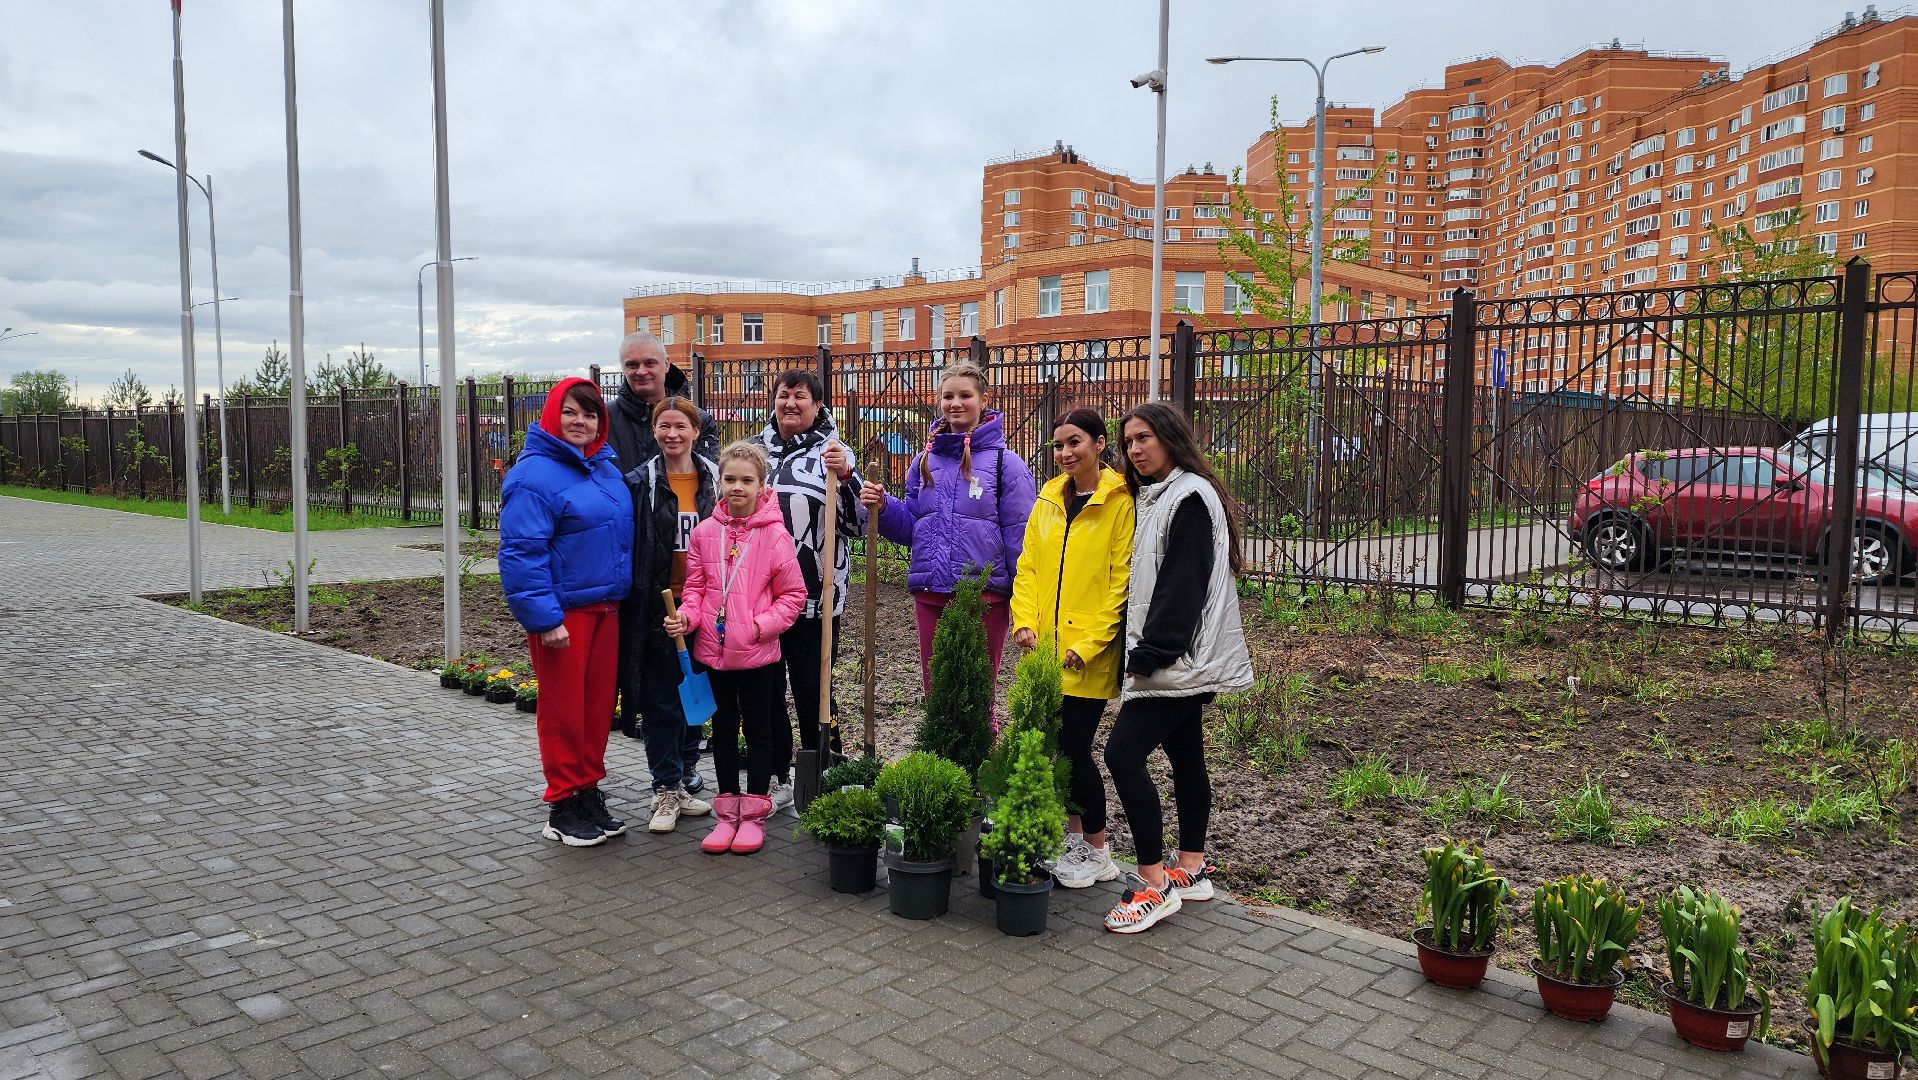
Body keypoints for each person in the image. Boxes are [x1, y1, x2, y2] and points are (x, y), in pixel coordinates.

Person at [1102, 402, 1253, 934]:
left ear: (1170, 438)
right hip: (1187, 658)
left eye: (1143, 438)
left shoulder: (1188, 497)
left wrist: (1149, 655)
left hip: (1175, 660)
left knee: (1121, 755)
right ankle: (1191, 867)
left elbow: (1182, 586)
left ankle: (1152, 884)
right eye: (1128, 443)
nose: (1135, 450)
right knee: (1187, 755)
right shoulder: (1163, 495)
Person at [499, 378, 634, 847]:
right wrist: (544, 618)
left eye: (591, 414)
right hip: (564, 616)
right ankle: (561, 804)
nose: (582, 422)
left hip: (606, 610)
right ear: (552, 414)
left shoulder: (603, 469)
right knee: (563, 712)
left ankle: (587, 791)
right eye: (572, 412)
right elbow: (521, 552)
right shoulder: (532, 476)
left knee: (596, 710)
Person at [1008, 409, 1134, 889]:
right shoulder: (1049, 499)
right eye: (1058, 445)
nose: (1065, 453)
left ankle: (1099, 850)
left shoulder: (1119, 502)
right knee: (1054, 750)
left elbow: (1117, 585)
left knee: (1076, 749)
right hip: (1042, 650)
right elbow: (1029, 568)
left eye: (1075, 442)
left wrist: (1088, 644)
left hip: (1086, 654)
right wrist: (1023, 620)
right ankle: (1072, 838)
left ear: (1100, 444)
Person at [663, 441, 807, 856]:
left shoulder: (775, 536)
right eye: (730, 479)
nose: (737, 487)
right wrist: (688, 618)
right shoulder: (706, 533)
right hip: (713, 653)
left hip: (758, 656)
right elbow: (695, 589)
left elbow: (793, 595)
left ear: (763, 486)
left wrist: (762, 626)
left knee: (759, 732)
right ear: (719, 481)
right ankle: (727, 812)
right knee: (723, 732)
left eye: (747, 480)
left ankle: (755, 812)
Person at [858, 361, 1036, 694]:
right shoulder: (924, 462)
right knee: (937, 695)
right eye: (948, 396)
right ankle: (940, 750)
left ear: (984, 400)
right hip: (931, 596)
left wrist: (1022, 602)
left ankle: (981, 748)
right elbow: (913, 529)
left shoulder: (1006, 465)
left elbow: (1021, 539)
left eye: (965, 395)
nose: (955, 403)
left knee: (977, 697)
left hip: (984, 599)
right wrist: (883, 506)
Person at [751, 371, 865, 810]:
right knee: (765, 687)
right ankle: (779, 773)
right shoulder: (755, 451)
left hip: (815, 595)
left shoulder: (832, 452)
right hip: (759, 596)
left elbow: (857, 524)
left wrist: (850, 478)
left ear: (818, 405)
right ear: (774, 401)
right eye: (784, 395)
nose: (792, 403)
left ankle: (824, 776)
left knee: (814, 688)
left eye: (802, 396)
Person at [622, 398, 717, 833]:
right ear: (654, 430)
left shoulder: (715, 478)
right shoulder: (641, 481)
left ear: (696, 431)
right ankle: (664, 789)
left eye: (681, 425)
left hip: (708, 605)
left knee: (696, 692)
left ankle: (684, 779)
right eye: (664, 425)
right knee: (662, 697)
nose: (672, 434)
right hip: (662, 605)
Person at [605, 330, 721, 469]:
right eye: (632, 365)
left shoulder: (699, 421)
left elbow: (709, 480)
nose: (641, 372)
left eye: (650, 363)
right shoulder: (603, 420)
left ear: (666, 364)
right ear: (623, 367)